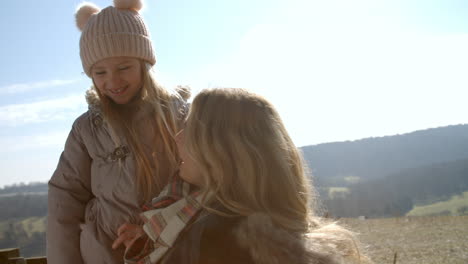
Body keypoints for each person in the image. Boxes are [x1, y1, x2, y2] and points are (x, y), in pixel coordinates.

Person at [114, 88, 372, 264]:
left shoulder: (216, 240)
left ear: (222, 150)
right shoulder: (217, 219)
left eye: (189, 129)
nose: (176, 138)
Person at [46, 0, 188, 263]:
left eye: (124, 68)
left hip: (174, 250)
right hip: (105, 254)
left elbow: (206, 186)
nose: (112, 81)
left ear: (145, 64)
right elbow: (64, 201)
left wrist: (155, 228)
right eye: (100, 72)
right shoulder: (86, 129)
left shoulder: (179, 117)